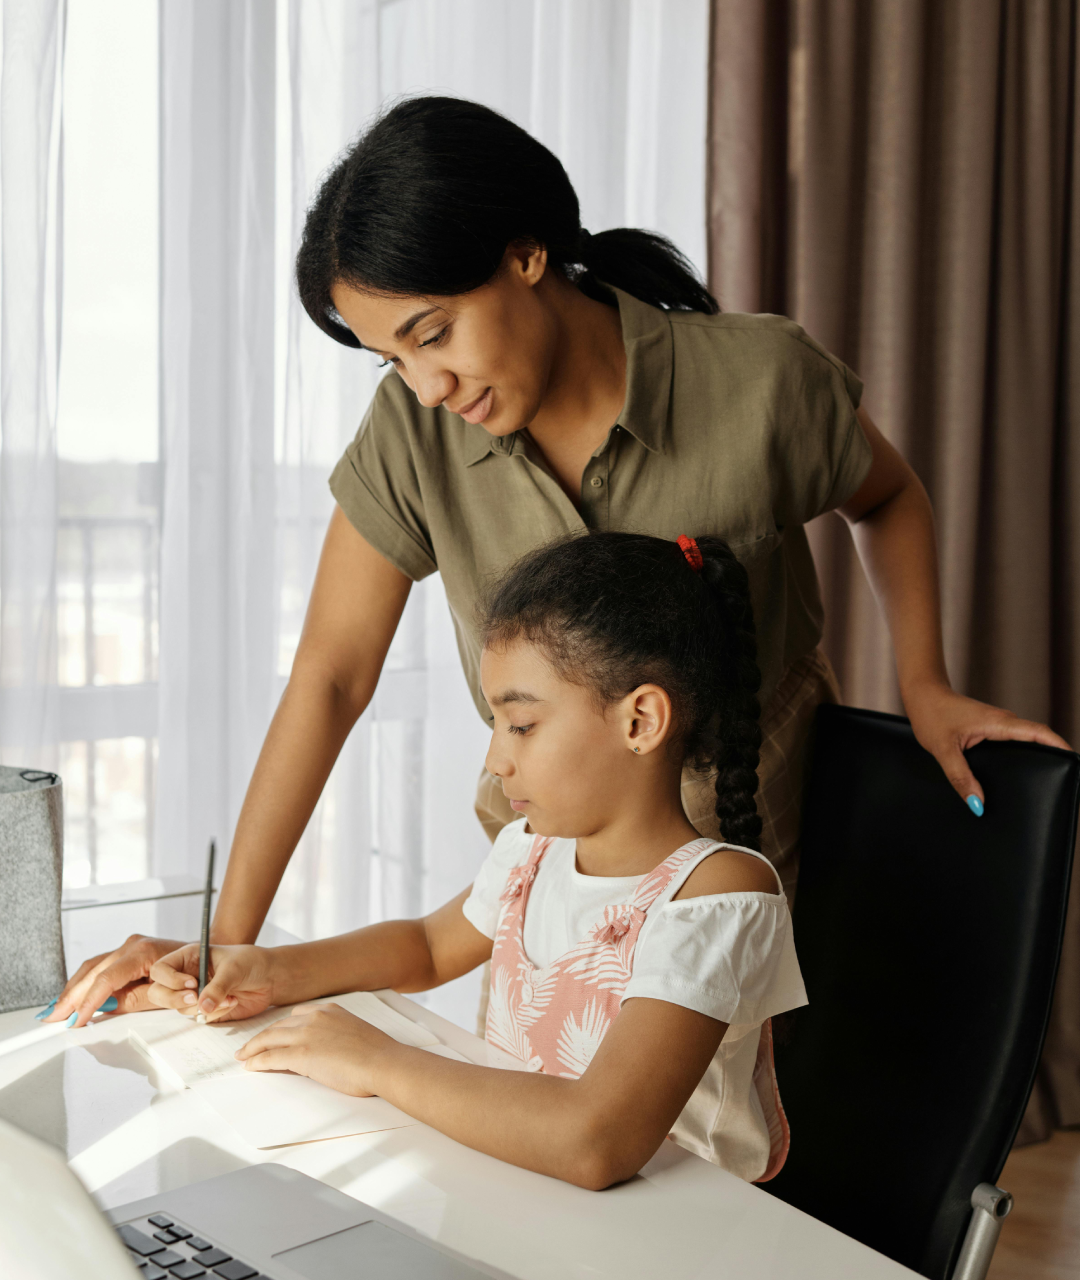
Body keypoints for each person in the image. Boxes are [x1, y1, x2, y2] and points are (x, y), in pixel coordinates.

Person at [48, 95, 1067, 1028]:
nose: (427, 383)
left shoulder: (758, 384)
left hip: (749, 853)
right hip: (541, 880)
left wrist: (925, 681)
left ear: (527, 255)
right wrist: (227, 946)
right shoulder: (415, 432)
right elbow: (330, 676)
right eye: (391, 357)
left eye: (434, 332)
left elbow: (884, 495)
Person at [147, 531, 805, 1188]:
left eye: (520, 725)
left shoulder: (717, 895)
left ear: (640, 721)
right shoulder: (533, 852)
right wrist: (270, 969)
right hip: (529, 1202)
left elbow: (596, 1139)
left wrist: (378, 1061)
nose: (495, 759)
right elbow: (428, 949)